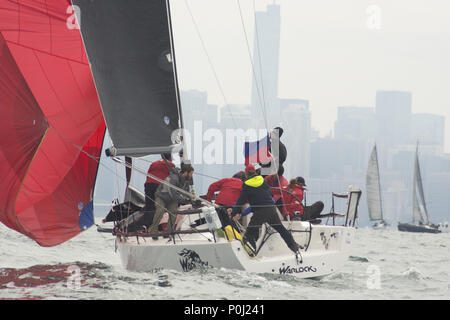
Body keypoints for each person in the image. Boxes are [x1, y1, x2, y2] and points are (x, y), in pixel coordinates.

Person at [230, 165, 300, 254]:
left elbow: (241, 201)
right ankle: (294, 247)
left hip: (260, 212)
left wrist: (234, 213)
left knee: (248, 235)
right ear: (255, 172)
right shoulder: (263, 181)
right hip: (272, 210)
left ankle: (251, 254)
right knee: (281, 230)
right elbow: (268, 195)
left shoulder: (246, 185)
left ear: (246, 174)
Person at [148, 164, 195, 237]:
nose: (191, 176)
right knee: (160, 211)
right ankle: (153, 231)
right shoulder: (174, 178)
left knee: (174, 214)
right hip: (161, 196)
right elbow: (172, 193)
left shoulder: (185, 181)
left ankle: (167, 232)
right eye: (191, 174)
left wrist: (191, 199)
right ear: (186, 172)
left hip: (172, 199)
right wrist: (184, 199)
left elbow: (186, 192)